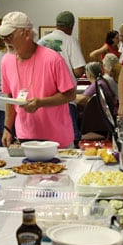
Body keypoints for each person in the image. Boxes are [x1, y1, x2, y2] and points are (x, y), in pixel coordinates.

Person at [0, 11, 76, 148]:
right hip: (25, 137)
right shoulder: (6, 61)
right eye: (3, 37)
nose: (5, 41)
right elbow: (9, 96)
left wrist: (40, 102)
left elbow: (70, 94)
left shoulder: (52, 59)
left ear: (26, 34)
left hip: (57, 139)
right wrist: (7, 128)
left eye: (9, 36)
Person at [38, 10, 86, 146]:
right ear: (71, 26)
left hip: (43, 98)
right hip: (65, 97)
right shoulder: (70, 41)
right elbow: (78, 71)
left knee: (45, 140)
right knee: (68, 140)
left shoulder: (41, 42)